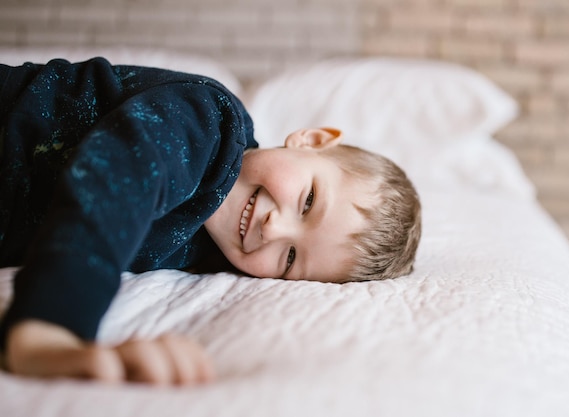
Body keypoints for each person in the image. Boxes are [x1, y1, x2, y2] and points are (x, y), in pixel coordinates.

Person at [0, 57, 421, 385]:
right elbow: (117, 185)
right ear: (310, 142)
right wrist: (53, 324)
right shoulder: (208, 122)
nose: (273, 230)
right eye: (309, 200)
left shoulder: (209, 251)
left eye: (290, 258)